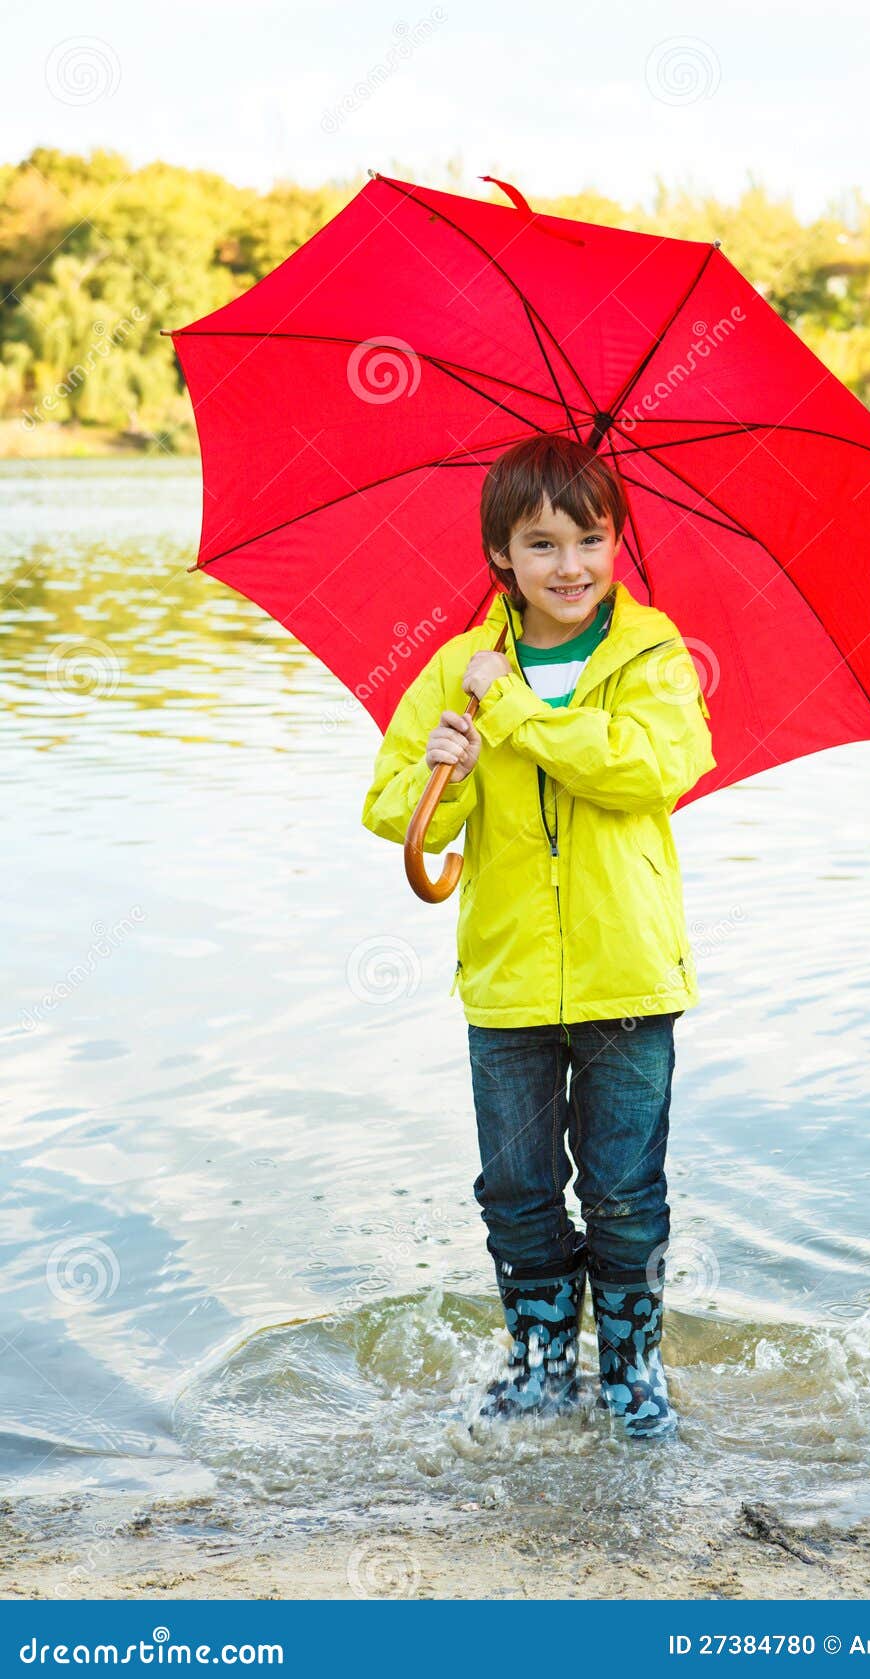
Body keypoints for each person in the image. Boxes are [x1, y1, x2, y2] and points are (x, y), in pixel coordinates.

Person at [361, 433, 715, 1439]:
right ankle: (540, 1363)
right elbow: (393, 812)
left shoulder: (652, 655)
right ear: (499, 559)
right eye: (542, 543)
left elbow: (643, 769)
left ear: (617, 545)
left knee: (621, 1189)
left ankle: (634, 1368)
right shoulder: (455, 669)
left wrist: (514, 714)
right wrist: (445, 764)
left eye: (591, 539)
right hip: (508, 978)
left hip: (626, 976)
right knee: (514, 1187)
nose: (570, 566)